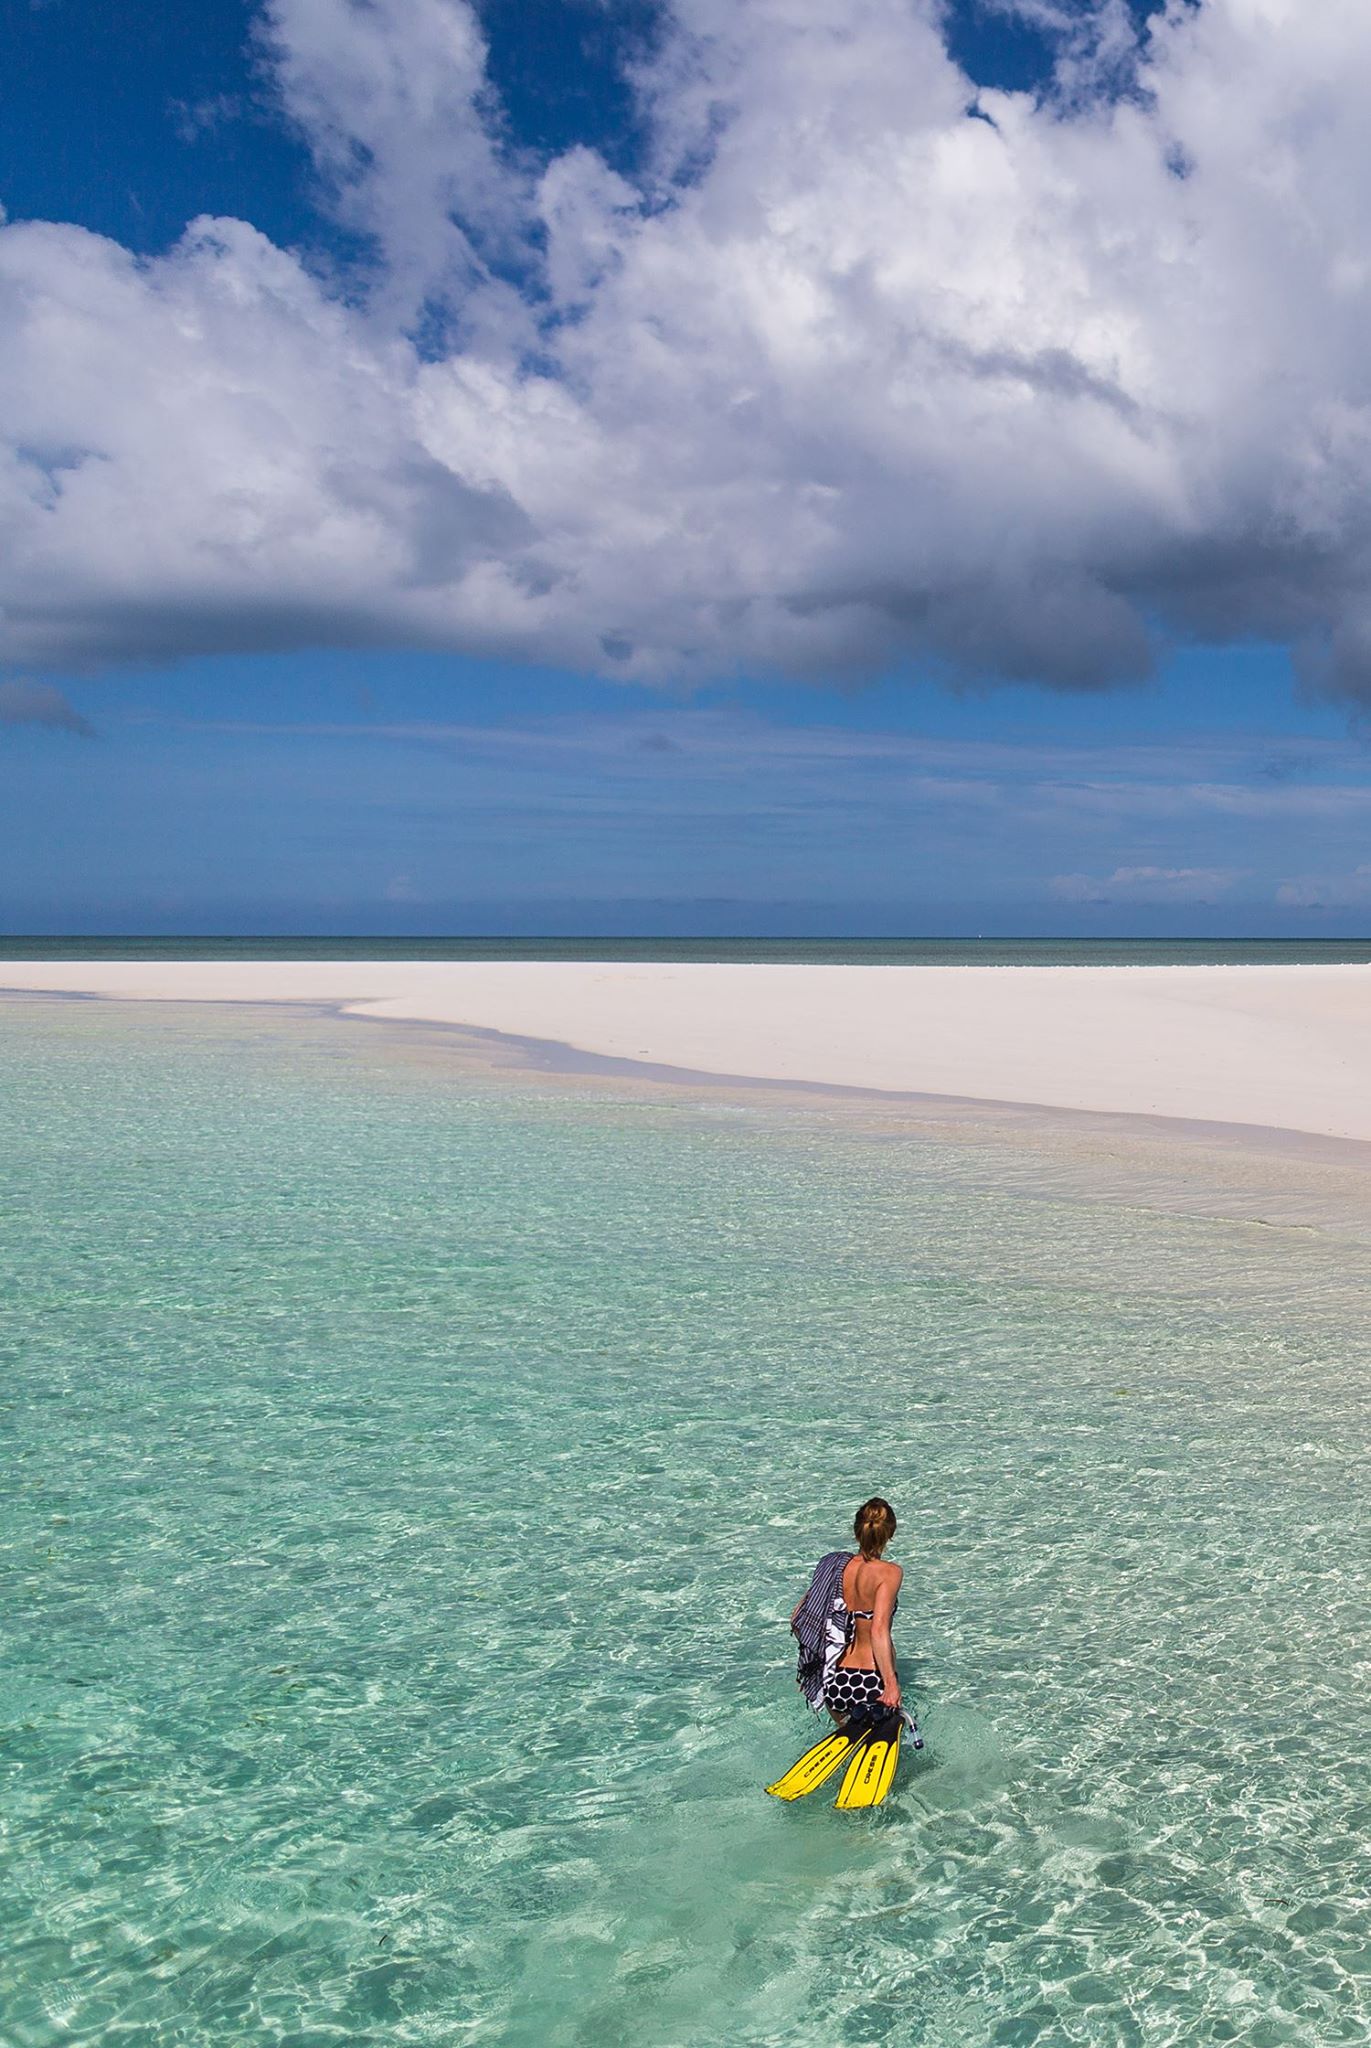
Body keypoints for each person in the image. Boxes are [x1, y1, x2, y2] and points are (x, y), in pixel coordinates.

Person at [789, 1496, 906, 1726]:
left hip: (835, 1681)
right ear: (890, 1533)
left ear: (856, 1532)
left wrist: (813, 1662)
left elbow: (797, 1619)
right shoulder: (889, 1573)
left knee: (849, 1739)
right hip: (870, 1680)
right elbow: (878, 1630)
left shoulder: (834, 1566)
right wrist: (891, 1685)